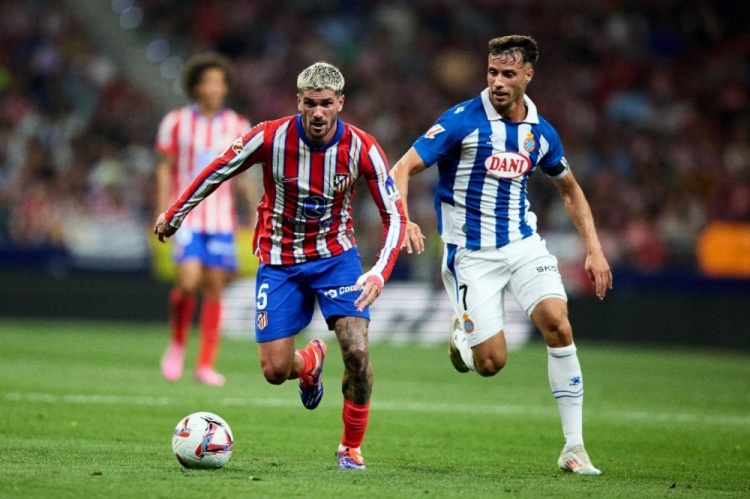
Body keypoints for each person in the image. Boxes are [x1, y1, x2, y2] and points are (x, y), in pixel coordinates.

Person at [154, 62, 406, 470]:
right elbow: (219, 168)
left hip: (336, 260)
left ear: (340, 103)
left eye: (327, 104)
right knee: (274, 371)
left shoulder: (363, 147)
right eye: (311, 103)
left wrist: (379, 271)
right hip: (279, 261)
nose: (319, 112)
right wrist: (176, 212)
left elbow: (394, 214)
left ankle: (350, 447)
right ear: (298, 101)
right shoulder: (269, 137)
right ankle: (310, 363)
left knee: (357, 351)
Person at [390, 35, 612, 475]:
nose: (498, 81)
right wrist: (403, 219)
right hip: (471, 254)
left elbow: (569, 190)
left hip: (523, 244)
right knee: (491, 364)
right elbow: (402, 168)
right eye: (492, 72)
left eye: (508, 74)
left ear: (528, 75)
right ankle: (462, 340)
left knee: (558, 324)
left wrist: (595, 248)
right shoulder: (461, 121)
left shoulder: (541, 132)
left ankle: (574, 447)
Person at [155, 53, 254, 387]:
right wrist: (162, 209)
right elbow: (164, 167)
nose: (213, 88)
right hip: (186, 216)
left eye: (219, 82)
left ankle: (205, 364)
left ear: (225, 88)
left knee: (214, 286)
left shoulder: (238, 125)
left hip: (221, 218)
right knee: (188, 282)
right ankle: (177, 345)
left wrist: (255, 209)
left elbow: (243, 175)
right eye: (207, 82)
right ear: (195, 87)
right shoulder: (176, 122)